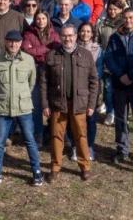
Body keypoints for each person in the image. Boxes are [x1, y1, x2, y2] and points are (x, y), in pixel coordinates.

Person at [40, 24, 98, 182]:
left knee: (80, 135)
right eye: (65, 35)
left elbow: (94, 81)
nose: (68, 38)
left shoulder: (85, 55)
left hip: (79, 103)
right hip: (58, 103)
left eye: (71, 35)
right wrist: (45, 105)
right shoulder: (52, 55)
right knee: (56, 136)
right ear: (60, 37)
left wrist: (92, 105)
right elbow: (44, 82)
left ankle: (85, 167)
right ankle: (55, 168)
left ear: (76, 36)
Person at [0, 30, 43, 187]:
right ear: (5, 42)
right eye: (10, 41)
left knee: (30, 140)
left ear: (20, 43)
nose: (13, 44)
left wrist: (22, 95)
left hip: (23, 107)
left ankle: (37, 172)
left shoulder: (29, 60)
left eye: (16, 42)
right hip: (4, 108)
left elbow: (31, 83)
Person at [105, 8, 133, 164]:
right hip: (119, 83)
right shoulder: (115, 37)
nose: (128, 20)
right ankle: (122, 150)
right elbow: (109, 57)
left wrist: (131, 75)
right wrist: (120, 74)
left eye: (131, 18)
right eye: (126, 17)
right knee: (121, 118)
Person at [22, 10, 60, 145]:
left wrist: (37, 50)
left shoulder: (55, 34)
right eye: (38, 19)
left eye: (43, 18)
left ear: (47, 19)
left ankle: (53, 133)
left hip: (52, 71)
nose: (41, 21)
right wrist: (46, 48)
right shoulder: (28, 33)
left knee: (53, 103)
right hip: (36, 71)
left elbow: (57, 51)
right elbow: (27, 50)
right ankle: (38, 134)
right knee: (37, 104)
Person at [96, 0, 127, 125]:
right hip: (104, 57)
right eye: (110, 9)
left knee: (119, 88)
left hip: (119, 58)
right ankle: (110, 111)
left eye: (115, 9)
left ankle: (120, 112)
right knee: (107, 88)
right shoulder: (102, 23)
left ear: (120, 10)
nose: (112, 11)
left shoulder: (124, 24)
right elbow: (97, 39)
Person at [76, 22, 104, 161]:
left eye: (88, 31)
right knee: (75, 119)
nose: (85, 34)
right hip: (75, 88)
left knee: (90, 118)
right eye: (82, 31)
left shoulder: (98, 50)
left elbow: (98, 71)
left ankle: (90, 146)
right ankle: (76, 146)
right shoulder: (73, 48)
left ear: (92, 34)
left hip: (91, 88)